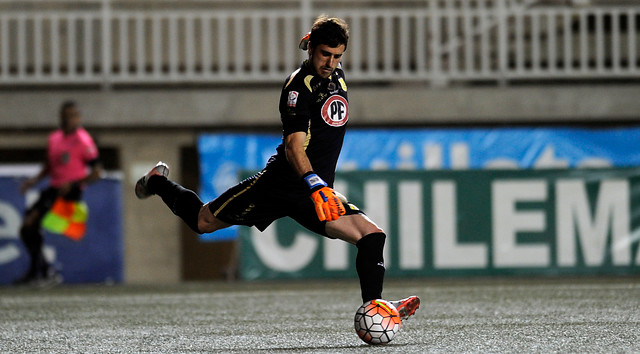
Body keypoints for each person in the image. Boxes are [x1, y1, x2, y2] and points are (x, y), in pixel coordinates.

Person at [135, 16, 420, 319]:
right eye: (325, 54)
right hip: (280, 186)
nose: (331, 62)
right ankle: (157, 182)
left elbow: (319, 52)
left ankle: (374, 310)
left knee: (372, 236)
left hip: (313, 195)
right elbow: (293, 146)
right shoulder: (298, 88)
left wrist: (317, 188)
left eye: (338, 56)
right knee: (203, 222)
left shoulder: (336, 75)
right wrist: (316, 184)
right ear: (312, 49)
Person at [15, 100, 102, 286]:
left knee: (31, 223)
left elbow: (97, 172)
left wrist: (75, 183)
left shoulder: (83, 140)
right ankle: (43, 271)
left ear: (78, 117)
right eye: (66, 115)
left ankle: (43, 272)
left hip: (69, 193)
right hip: (53, 190)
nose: (69, 119)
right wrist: (33, 181)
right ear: (61, 117)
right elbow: (49, 166)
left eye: (73, 115)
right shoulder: (54, 138)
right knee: (26, 228)